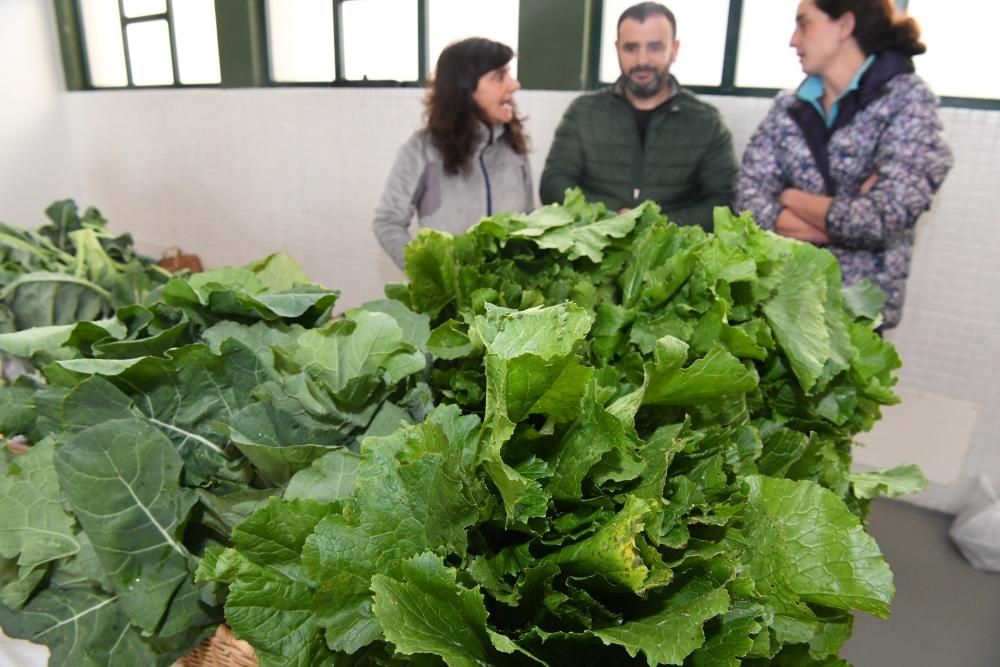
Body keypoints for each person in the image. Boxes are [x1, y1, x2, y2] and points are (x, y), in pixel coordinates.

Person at [734, 0, 953, 329]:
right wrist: (846, 217)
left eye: (804, 24)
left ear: (844, 26)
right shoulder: (789, 107)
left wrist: (789, 197)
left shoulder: (908, 102)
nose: (793, 40)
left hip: (856, 312)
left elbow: (882, 217)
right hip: (784, 302)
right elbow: (745, 200)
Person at [539, 2, 737, 230]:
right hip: (594, 247)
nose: (642, 60)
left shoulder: (707, 122)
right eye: (631, 48)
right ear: (617, 49)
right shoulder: (583, 112)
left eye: (655, 47)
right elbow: (553, 184)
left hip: (675, 253)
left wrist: (656, 224)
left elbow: (723, 201)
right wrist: (611, 216)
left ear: (674, 49)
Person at [373, 38, 533, 269]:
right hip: (451, 302)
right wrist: (430, 275)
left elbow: (529, 218)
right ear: (465, 87)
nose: (514, 84)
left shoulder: (513, 146)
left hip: (510, 302)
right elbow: (387, 221)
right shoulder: (421, 149)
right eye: (499, 77)